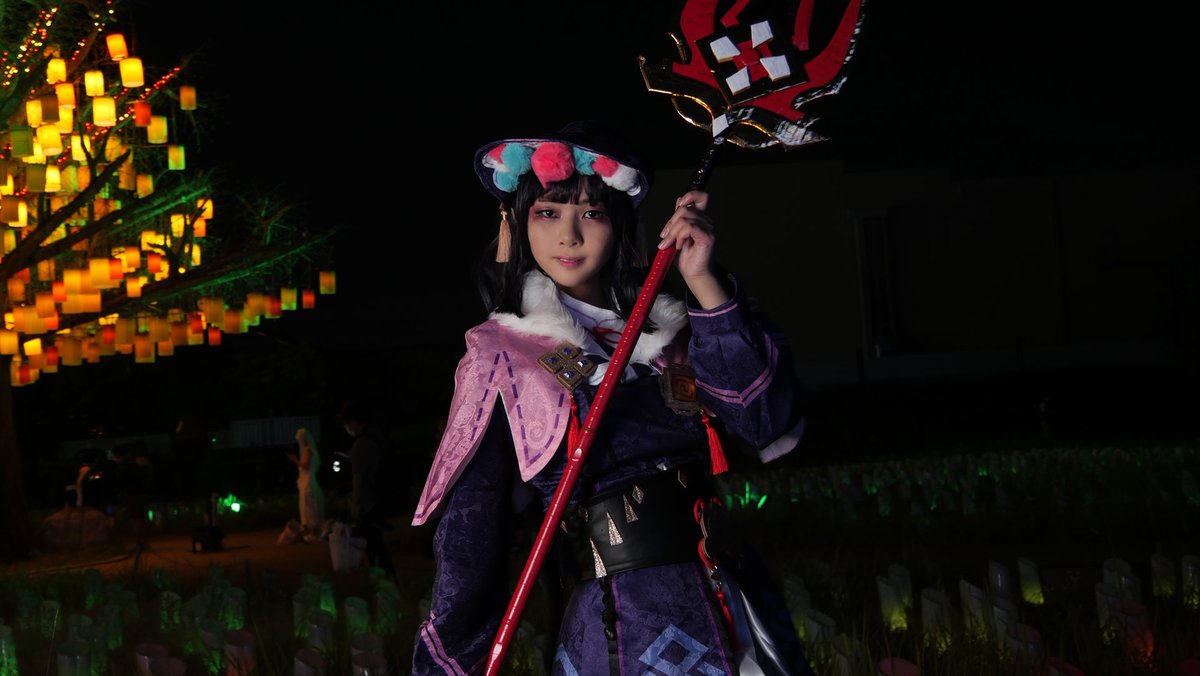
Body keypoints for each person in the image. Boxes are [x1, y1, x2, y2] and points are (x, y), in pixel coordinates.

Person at [410, 120, 813, 675]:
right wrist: (449, 662)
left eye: (592, 214)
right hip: (620, 624)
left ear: (620, 224)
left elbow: (765, 424)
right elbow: (472, 529)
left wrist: (703, 281)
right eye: (547, 213)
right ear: (516, 223)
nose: (568, 236)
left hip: (734, 603)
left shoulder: (670, 335)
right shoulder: (504, 353)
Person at [338, 401, 396, 574]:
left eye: (347, 424)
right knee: (375, 540)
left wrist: (355, 506)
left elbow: (358, 478)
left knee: (372, 543)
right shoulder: (378, 437)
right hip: (382, 494)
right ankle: (384, 574)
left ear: (354, 421)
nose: (347, 428)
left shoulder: (361, 444)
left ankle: (383, 576)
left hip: (369, 500)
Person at [288, 427, 327, 542]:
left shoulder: (308, 450)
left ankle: (313, 533)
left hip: (308, 483)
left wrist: (295, 460)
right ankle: (314, 533)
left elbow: (305, 465)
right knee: (311, 508)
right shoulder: (311, 450)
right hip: (308, 481)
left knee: (310, 508)